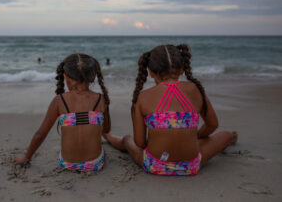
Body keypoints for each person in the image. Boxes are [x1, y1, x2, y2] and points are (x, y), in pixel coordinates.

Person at [104, 44, 237, 176]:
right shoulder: (195, 90)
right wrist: (196, 136)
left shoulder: (142, 97)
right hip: (191, 165)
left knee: (128, 139)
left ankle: (109, 137)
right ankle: (231, 137)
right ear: (181, 70)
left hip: (155, 165)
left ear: (151, 72)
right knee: (224, 135)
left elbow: (140, 143)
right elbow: (212, 125)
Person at [14, 54, 111, 172]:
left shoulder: (59, 101)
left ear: (66, 77)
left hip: (67, 164)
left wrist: (26, 157)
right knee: (103, 150)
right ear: (93, 76)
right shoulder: (101, 99)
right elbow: (106, 130)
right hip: (95, 164)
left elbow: (40, 134)